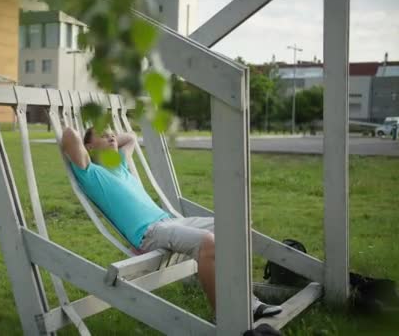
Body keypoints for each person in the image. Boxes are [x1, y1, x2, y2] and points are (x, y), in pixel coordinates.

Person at [61, 126, 283, 319]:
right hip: (149, 233)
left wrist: (109, 139)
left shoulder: (120, 165)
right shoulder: (89, 172)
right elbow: (70, 136)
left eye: (112, 134)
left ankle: (247, 302)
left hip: (170, 221)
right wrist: (68, 119)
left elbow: (129, 138)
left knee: (237, 226)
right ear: (88, 147)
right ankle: (223, 315)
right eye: (104, 135)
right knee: (208, 242)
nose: (111, 138)